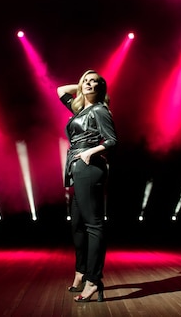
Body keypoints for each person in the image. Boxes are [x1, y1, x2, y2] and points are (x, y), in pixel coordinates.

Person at [57, 69, 117, 303]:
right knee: (77, 226)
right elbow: (61, 91)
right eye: (87, 81)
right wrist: (82, 85)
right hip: (76, 168)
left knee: (94, 225)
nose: (90, 84)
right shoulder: (81, 110)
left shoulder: (100, 110)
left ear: (102, 89)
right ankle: (81, 271)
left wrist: (91, 152)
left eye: (95, 82)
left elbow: (112, 141)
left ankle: (94, 280)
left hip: (89, 166)